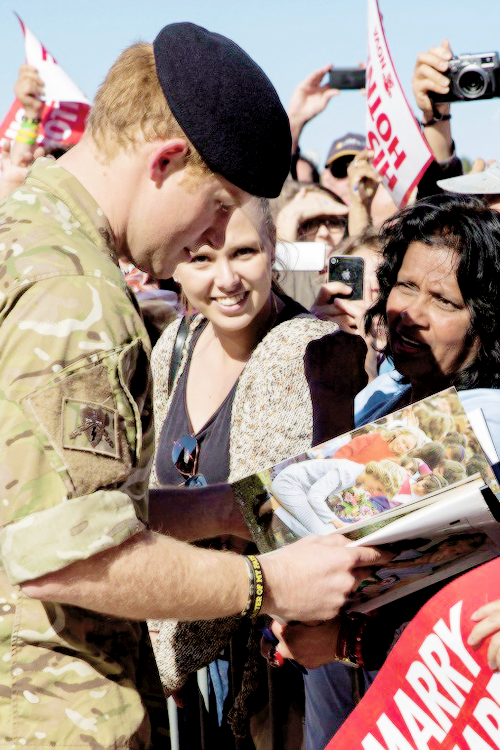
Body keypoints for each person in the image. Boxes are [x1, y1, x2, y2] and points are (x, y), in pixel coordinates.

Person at [0, 22, 383, 748]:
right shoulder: (74, 292)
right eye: (214, 208)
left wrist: (233, 507)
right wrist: (267, 584)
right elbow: (69, 555)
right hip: (51, 714)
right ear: (167, 160)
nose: (204, 244)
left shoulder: (24, 232)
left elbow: (46, 498)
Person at [267, 193, 500, 749]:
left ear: (487, 322)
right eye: (405, 285)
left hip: (432, 711)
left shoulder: (484, 418)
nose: (411, 313)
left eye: (444, 300)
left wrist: (326, 394)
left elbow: (318, 517)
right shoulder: (385, 394)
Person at [149, 197, 364, 746]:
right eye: (201, 258)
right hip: (178, 654)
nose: (226, 279)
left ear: (272, 249)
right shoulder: (173, 347)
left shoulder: (315, 354)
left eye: (243, 252)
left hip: (276, 668)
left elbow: (297, 527)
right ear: (174, 262)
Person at [269, 457, 405, 536]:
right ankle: (274, 505)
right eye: (379, 488)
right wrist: (337, 522)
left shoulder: (356, 474)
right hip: (289, 485)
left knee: (330, 531)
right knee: (324, 535)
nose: (374, 493)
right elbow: (314, 497)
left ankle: (277, 509)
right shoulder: (348, 472)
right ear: (377, 475)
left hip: (299, 490)